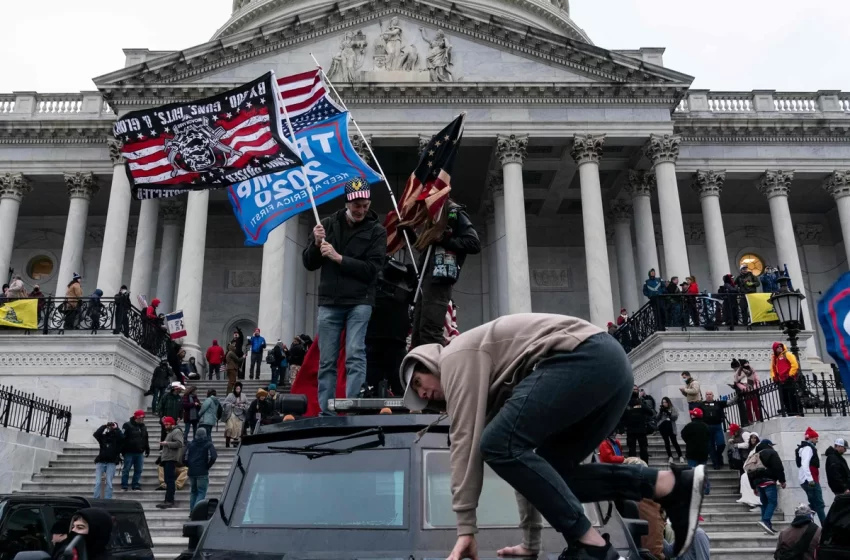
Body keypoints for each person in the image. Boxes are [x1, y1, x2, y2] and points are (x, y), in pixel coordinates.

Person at [399, 313, 706, 560]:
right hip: (610, 369)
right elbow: (526, 470)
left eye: (418, 383)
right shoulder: (492, 388)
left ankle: (591, 545)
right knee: (553, 473)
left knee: (494, 444)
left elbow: (465, 446)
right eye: (419, 396)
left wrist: (466, 528)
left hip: (585, 357)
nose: (423, 394)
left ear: (427, 363)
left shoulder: (455, 357)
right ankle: (668, 484)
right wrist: (531, 542)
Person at [303, 179, 387, 416]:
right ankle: (326, 412)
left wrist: (339, 258)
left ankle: (352, 408)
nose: (361, 210)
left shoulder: (377, 231)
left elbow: (373, 269)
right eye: (357, 205)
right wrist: (317, 243)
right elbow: (309, 263)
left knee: (355, 353)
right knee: (327, 361)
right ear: (348, 202)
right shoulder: (327, 224)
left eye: (365, 205)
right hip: (330, 302)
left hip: (360, 301)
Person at [408, 199, 480, 348]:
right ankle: (421, 368)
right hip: (426, 280)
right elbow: (425, 249)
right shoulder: (433, 216)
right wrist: (409, 233)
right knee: (418, 334)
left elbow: (473, 243)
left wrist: (444, 239)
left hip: (440, 279)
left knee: (430, 332)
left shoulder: (453, 212)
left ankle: (438, 368)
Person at [746, 438, 786, 535]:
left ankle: (767, 526)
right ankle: (765, 520)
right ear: (769, 445)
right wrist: (782, 480)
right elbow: (778, 467)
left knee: (764, 504)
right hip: (769, 481)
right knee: (772, 502)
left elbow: (749, 472)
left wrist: (753, 487)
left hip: (758, 483)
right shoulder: (771, 453)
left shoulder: (754, 455)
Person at [796, 427, 826, 524]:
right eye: (816, 438)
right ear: (811, 438)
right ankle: (825, 526)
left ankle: (803, 519)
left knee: (814, 504)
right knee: (819, 504)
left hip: (808, 480)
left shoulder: (804, 448)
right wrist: (810, 480)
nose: (817, 440)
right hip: (810, 480)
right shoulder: (808, 448)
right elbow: (805, 464)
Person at [185, 426, 217, 513]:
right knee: (201, 492)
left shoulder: (190, 444)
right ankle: (196, 512)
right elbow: (213, 456)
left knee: (193, 491)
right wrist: (207, 466)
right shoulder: (208, 444)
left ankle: (192, 511)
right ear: (205, 435)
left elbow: (183, 457)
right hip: (202, 471)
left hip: (192, 472)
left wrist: (188, 465)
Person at [681, 408, 711, 495]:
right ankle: (706, 489)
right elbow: (709, 437)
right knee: (703, 472)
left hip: (691, 452)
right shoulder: (705, 426)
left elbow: (683, 435)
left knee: (691, 472)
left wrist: (689, 442)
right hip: (703, 453)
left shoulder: (688, 426)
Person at [157, 416, 184, 509]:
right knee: (168, 480)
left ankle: (169, 500)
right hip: (167, 458)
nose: (165, 426)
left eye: (167, 424)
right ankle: (167, 499)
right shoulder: (171, 432)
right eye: (165, 424)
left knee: (170, 480)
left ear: (172, 424)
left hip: (171, 459)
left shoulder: (176, 431)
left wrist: (166, 444)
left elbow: (180, 443)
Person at [621, 385, 653, 463]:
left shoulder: (626, 405)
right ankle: (645, 464)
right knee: (643, 449)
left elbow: (622, 417)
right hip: (641, 430)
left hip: (630, 431)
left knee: (632, 449)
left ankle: (632, 466)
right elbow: (651, 412)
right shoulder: (641, 404)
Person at [92, 421, 123, 499]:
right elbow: (96, 434)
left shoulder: (117, 438)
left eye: (112, 426)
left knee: (109, 482)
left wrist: (117, 428)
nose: (111, 427)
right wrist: (104, 426)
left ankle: (108, 499)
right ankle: (96, 498)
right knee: (98, 482)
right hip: (101, 461)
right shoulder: (103, 437)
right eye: (110, 426)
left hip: (111, 462)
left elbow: (122, 437)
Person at [120, 410, 149, 492]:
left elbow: (145, 438)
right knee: (126, 469)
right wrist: (122, 450)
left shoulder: (143, 426)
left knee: (138, 470)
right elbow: (122, 438)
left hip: (139, 452)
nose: (143, 419)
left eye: (143, 417)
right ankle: (124, 485)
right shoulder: (127, 425)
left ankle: (135, 485)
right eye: (141, 417)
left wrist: (147, 448)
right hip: (129, 452)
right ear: (137, 417)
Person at [699, 391, 728, 469]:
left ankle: (718, 456)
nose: (708, 396)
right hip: (707, 427)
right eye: (707, 394)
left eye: (710, 394)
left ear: (713, 395)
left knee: (721, 444)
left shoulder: (718, 403)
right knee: (710, 446)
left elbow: (730, 402)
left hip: (717, 426)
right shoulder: (701, 405)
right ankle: (716, 463)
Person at [771, 341, 801, 417]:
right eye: (777, 347)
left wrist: (790, 375)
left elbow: (795, 364)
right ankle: (790, 413)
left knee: (792, 397)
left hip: (789, 379)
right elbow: (772, 369)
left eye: (780, 346)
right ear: (775, 349)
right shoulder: (775, 358)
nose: (780, 348)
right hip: (781, 381)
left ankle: (796, 413)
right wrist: (774, 378)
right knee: (785, 399)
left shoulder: (787, 354)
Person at [735, 431, 762, 511]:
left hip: (756, 471)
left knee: (746, 479)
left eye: (754, 438)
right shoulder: (752, 448)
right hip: (750, 471)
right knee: (744, 478)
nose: (753, 440)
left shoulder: (758, 447)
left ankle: (756, 503)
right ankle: (747, 499)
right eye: (751, 438)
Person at [732, 358, 761, 425]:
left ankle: (758, 418)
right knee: (748, 406)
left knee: (755, 405)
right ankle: (750, 420)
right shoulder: (738, 373)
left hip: (753, 389)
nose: (747, 364)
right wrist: (744, 389)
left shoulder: (751, 370)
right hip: (746, 391)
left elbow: (756, 378)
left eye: (747, 363)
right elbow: (737, 383)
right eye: (745, 363)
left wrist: (756, 386)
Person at [657, 397, 684, 465]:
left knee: (674, 442)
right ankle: (670, 456)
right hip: (663, 427)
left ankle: (680, 455)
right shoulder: (661, 409)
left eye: (665, 402)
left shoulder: (672, 408)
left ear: (668, 402)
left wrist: (668, 413)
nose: (664, 403)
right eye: (663, 402)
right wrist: (661, 412)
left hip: (671, 427)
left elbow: (675, 417)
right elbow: (657, 418)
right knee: (667, 442)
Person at [223, 382, 248, 448]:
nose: (238, 390)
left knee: (238, 429)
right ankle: (227, 443)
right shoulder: (230, 395)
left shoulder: (243, 395)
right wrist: (231, 404)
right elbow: (225, 404)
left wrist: (243, 405)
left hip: (240, 415)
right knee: (229, 428)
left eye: (239, 388)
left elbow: (247, 405)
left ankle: (235, 443)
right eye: (237, 388)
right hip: (231, 413)